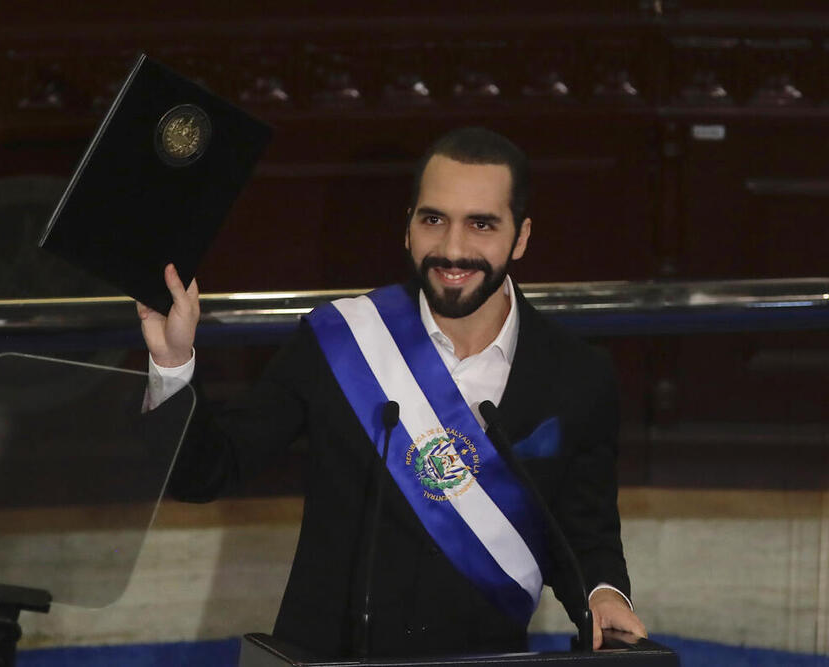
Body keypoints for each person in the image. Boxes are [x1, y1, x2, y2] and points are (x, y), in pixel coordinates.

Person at [137, 127, 647, 658]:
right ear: (408, 227)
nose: (452, 248)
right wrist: (172, 363)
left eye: (481, 224)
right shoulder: (339, 339)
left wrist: (603, 592)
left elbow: (586, 533)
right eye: (434, 220)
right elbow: (203, 474)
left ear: (520, 237)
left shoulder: (577, 375)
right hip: (331, 658)